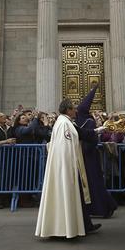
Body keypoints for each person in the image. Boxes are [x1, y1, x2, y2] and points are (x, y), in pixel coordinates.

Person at [35, 98, 100, 238]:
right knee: (74, 194)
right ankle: (71, 227)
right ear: (68, 110)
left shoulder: (65, 122)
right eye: (74, 108)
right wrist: (70, 166)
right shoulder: (64, 124)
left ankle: (85, 224)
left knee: (80, 196)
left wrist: (99, 129)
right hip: (67, 165)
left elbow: (81, 134)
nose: (76, 110)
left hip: (70, 164)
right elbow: (64, 148)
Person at [75, 85, 116, 219]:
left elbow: (92, 139)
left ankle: (104, 207)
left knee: (94, 181)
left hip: (89, 155)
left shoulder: (89, 122)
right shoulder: (79, 121)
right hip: (83, 155)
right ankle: (92, 208)